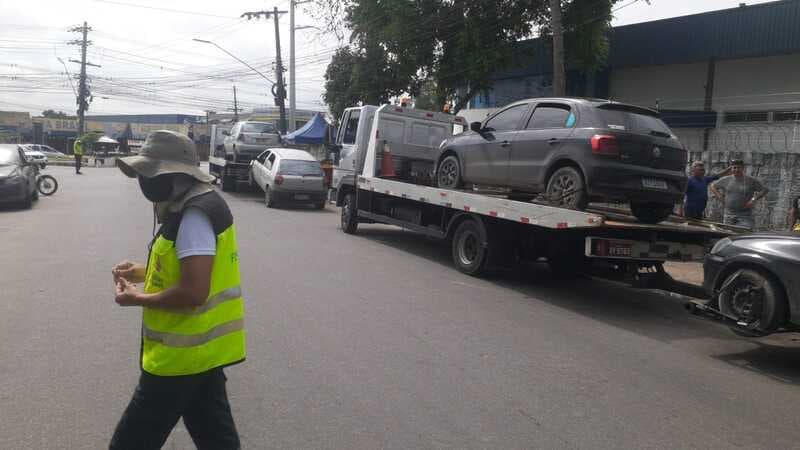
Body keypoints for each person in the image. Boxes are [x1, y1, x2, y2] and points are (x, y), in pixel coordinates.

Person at [109, 130, 245, 450]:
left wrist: (136, 299)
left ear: (175, 174)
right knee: (217, 440)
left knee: (129, 444)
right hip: (201, 355)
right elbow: (189, 267)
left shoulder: (195, 214)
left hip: (179, 359)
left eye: (150, 172)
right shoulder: (186, 205)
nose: (144, 180)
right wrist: (142, 272)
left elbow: (194, 292)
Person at [710, 159, 769, 230]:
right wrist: (719, 196)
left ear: (743, 168)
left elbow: (764, 190)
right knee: (728, 234)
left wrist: (753, 199)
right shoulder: (726, 179)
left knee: (744, 233)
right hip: (729, 214)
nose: (736, 169)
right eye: (734, 167)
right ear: (731, 168)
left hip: (745, 214)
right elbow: (713, 186)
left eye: (739, 167)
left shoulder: (750, 180)